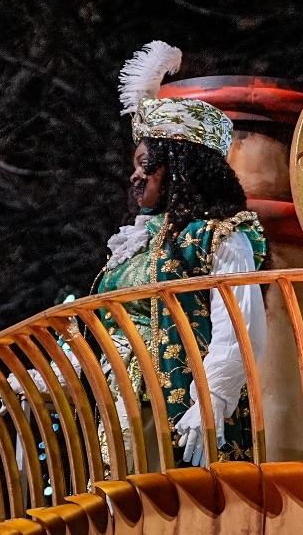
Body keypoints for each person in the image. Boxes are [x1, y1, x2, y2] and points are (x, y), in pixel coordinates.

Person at [92, 40, 268, 471]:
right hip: (120, 411)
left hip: (182, 411)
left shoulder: (218, 236)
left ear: (178, 168)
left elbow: (240, 328)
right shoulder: (132, 246)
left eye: (144, 164)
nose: (134, 176)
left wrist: (211, 402)